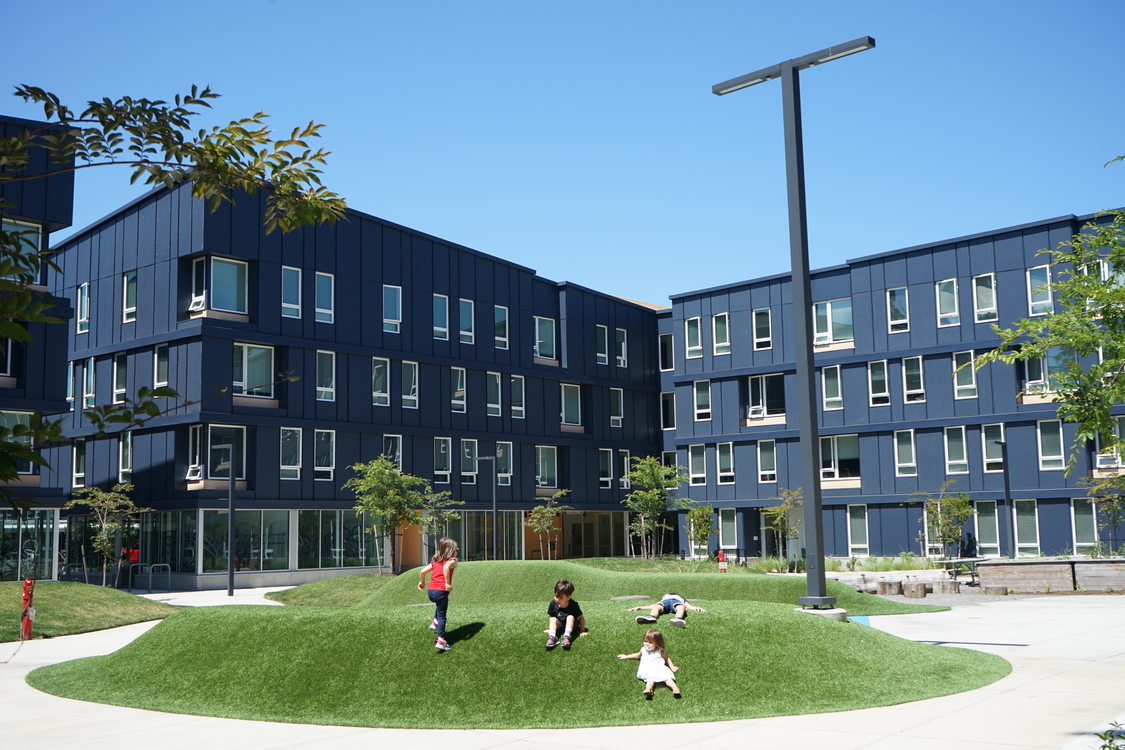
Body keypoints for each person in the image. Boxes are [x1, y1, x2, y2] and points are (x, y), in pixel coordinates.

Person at [417, 537, 459, 651]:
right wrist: (447, 584)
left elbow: (422, 571)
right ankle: (441, 640)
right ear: (450, 550)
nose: (457, 550)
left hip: (431, 592)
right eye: (456, 549)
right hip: (441, 591)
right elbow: (446, 568)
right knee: (442, 616)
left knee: (439, 607)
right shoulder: (452, 561)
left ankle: (434, 622)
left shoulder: (435, 561)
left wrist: (422, 582)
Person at [617, 629, 682, 699]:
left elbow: (667, 659)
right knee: (650, 680)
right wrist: (626, 656)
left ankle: (675, 689)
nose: (647, 644)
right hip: (648, 669)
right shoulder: (643, 650)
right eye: (645, 641)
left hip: (659, 668)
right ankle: (649, 689)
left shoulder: (659, 651)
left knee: (667, 679)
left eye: (650, 642)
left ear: (657, 643)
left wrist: (672, 667)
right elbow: (638, 655)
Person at [545, 579, 585, 650]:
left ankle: (566, 636)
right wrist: (551, 629)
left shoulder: (573, 605)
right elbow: (551, 617)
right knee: (553, 618)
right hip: (560, 625)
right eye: (556, 596)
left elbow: (581, 617)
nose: (557, 599)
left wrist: (582, 631)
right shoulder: (553, 603)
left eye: (560, 598)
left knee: (570, 617)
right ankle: (552, 636)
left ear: (568, 597)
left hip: (572, 626)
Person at [628, 592, 706, 628]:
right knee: (657, 607)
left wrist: (697, 608)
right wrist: (639, 607)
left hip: (677, 602)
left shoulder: (680, 599)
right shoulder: (663, 599)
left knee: (681, 607)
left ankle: (677, 619)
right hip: (664, 603)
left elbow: (689, 606)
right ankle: (651, 617)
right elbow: (651, 606)